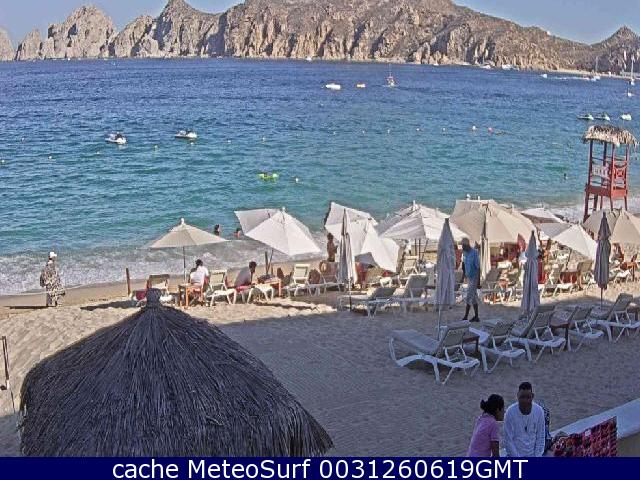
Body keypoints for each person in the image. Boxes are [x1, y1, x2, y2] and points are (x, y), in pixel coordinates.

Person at [503, 382, 546, 457]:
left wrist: (537, 457)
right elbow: (508, 440)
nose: (525, 401)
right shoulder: (510, 412)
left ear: (532, 396)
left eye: (528, 397)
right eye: (522, 397)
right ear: (517, 396)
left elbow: (541, 436)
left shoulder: (539, 411)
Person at [461, 237, 480, 322]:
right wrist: (463, 276)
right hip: (469, 277)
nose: (462, 247)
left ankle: (465, 316)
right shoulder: (465, 253)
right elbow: (464, 265)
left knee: (469, 296)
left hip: (474, 277)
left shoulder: (474, 253)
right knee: (473, 297)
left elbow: (478, 267)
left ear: (467, 245)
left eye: (463, 246)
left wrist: (478, 282)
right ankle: (476, 317)